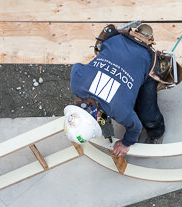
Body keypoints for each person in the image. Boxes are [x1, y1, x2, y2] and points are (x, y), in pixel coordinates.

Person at [65, 22, 165, 156]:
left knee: (147, 112)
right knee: (128, 97)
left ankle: (156, 132)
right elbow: (77, 66)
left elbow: (136, 128)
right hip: (117, 41)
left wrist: (125, 143)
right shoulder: (77, 83)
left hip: (145, 57)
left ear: (99, 116)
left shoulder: (120, 111)